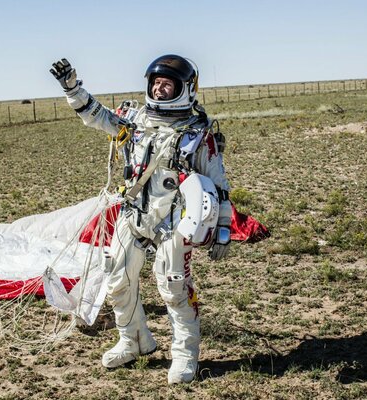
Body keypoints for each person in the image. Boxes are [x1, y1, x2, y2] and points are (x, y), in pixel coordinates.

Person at [50, 55, 232, 384]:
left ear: (185, 90)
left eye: (168, 85)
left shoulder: (196, 134)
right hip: (134, 214)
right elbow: (96, 116)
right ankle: (133, 340)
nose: (160, 90)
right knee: (117, 279)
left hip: (174, 222)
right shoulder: (134, 121)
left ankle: (184, 354)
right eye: (156, 83)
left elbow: (218, 184)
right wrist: (73, 89)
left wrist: (223, 228)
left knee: (174, 287)